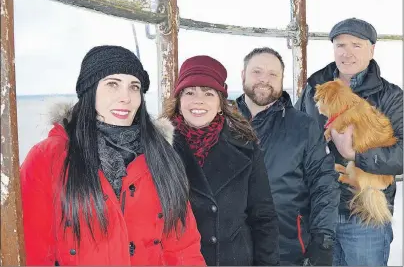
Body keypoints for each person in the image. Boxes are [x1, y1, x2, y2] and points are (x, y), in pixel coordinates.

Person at [20, 45, 206, 266]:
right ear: (89, 91)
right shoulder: (47, 158)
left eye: (134, 87)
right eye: (112, 85)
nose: (125, 97)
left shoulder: (162, 157)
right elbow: (34, 251)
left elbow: (183, 249)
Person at [295, 17, 403, 266]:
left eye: (356, 45)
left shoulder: (391, 96)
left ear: (372, 49)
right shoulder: (314, 89)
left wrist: (354, 154)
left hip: (365, 214)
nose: (347, 53)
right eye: (341, 45)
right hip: (319, 213)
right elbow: (294, 139)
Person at [161, 55, 280, 266]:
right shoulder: (159, 149)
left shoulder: (245, 146)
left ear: (220, 105)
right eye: (189, 92)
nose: (198, 100)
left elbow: (263, 217)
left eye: (208, 93)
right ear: (179, 102)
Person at [235, 47, 340, 266]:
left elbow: (324, 185)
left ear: (282, 80)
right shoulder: (223, 122)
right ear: (243, 74)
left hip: (287, 248)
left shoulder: (303, 127)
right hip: (231, 249)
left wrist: (322, 240)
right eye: (257, 72)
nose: (265, 80)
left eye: (273, 74)